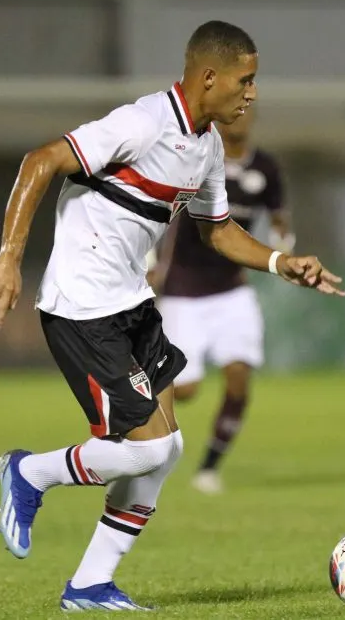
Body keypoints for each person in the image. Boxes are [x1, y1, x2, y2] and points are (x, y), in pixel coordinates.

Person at [0, 20, 345, 612]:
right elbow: (41, 160)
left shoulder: (208, 147)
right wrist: (11, 256)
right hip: (83, 308)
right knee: (145, 449)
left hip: (132, 303)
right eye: (245, 81)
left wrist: (281, 261)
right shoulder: (141, 123)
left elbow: (217, 230)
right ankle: (30, 472)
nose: (252, 94)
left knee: (165, 451)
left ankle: (90, 585)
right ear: (208, 77)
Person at [148, 107, 294, 495]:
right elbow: (160, 215)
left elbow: (279, 221)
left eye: (246, 115)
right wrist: (151, 265)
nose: (238, 121)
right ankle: (130, 403)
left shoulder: (266, 168)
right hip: (183, 290)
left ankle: (209, 468)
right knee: (187, 389)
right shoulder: (196, 158)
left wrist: (283, 250)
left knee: (239, 377)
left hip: (232, 289)